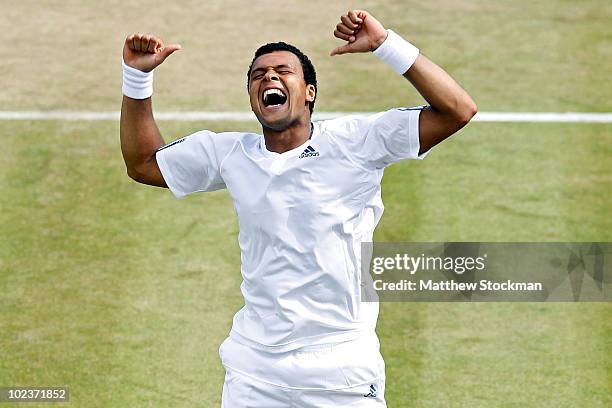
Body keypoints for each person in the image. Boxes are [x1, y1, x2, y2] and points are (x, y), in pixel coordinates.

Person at [120, 9, 476, 407]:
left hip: (341, 373)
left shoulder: (357, 142)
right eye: (258, 75)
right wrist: (137, 78)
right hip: (254, 372)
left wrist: (384, 44)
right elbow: (143, 163)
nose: (269, 77)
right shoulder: (229, 154)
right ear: (253, 98)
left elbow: (458, 109)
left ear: (309, 92)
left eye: (282, 71)